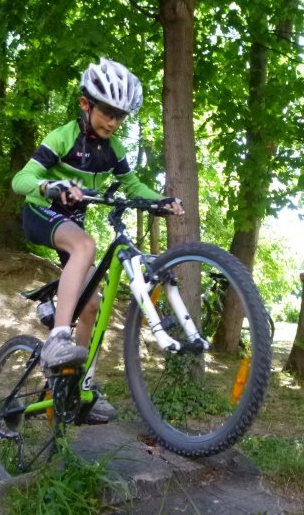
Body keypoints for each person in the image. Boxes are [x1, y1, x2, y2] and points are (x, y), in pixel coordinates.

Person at [12, 58, 183, 423]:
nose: (114, 122)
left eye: (121, 116)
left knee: (92, 306)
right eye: (108, 112)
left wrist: (159, 200)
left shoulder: (114, 149)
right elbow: (21, 179)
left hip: (71, 222)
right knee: (87, 245)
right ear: (85, 104)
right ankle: (59, 338)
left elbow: (133, 186)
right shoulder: (62, 137)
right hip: (40, 212)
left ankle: (78, 390)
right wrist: (48, 185)